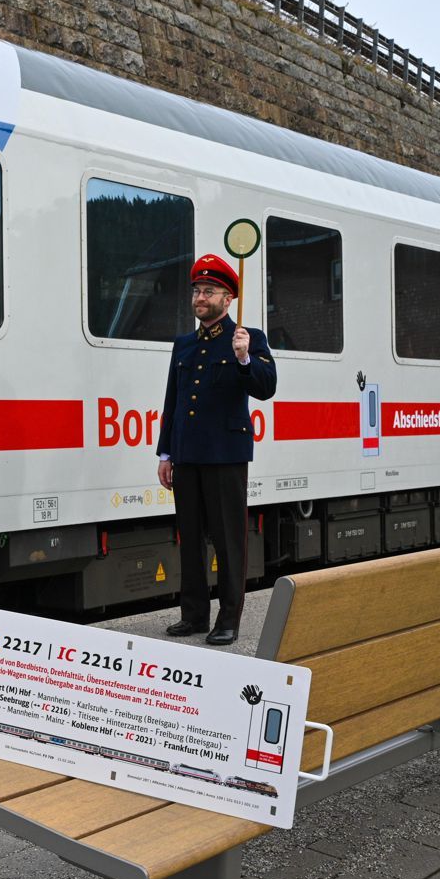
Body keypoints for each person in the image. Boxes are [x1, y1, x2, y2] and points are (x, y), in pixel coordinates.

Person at [157, 254, 277, 644]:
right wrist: (165, 454)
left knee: (228, 540)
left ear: (228, 299)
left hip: (225, 454)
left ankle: (229, 619)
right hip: (188, 454)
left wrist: (244, 358)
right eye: (197, 290)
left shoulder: (247, 338)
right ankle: (193, 615)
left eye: (209, 291)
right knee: (189, 538)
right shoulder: (185, 345)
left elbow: (266, 387)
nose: (200, 297)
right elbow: (173, 401)